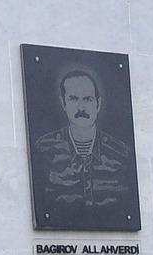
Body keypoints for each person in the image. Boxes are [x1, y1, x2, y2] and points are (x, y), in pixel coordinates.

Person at [31, 66, 135, 229]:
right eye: (73, 99)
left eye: (88, 99)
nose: (81, 108)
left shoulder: (121, 153)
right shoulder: (44, 150)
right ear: (63, 103)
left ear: (98, 104)